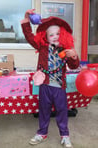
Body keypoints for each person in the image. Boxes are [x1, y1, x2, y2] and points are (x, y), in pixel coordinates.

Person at [21, 9, 80, 148]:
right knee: (43, 110)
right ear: (45, 37)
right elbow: (29, 36)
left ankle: (65, 135)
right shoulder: (42, 47)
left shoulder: (64, 50)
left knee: (62, 111)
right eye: (51, 34)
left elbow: (73, 65)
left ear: (63, 35)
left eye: (58, 34)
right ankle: (42, 133)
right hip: (45, 85)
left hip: (59, 86)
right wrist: (26, 19)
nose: (54, 36)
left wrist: (74, 56)